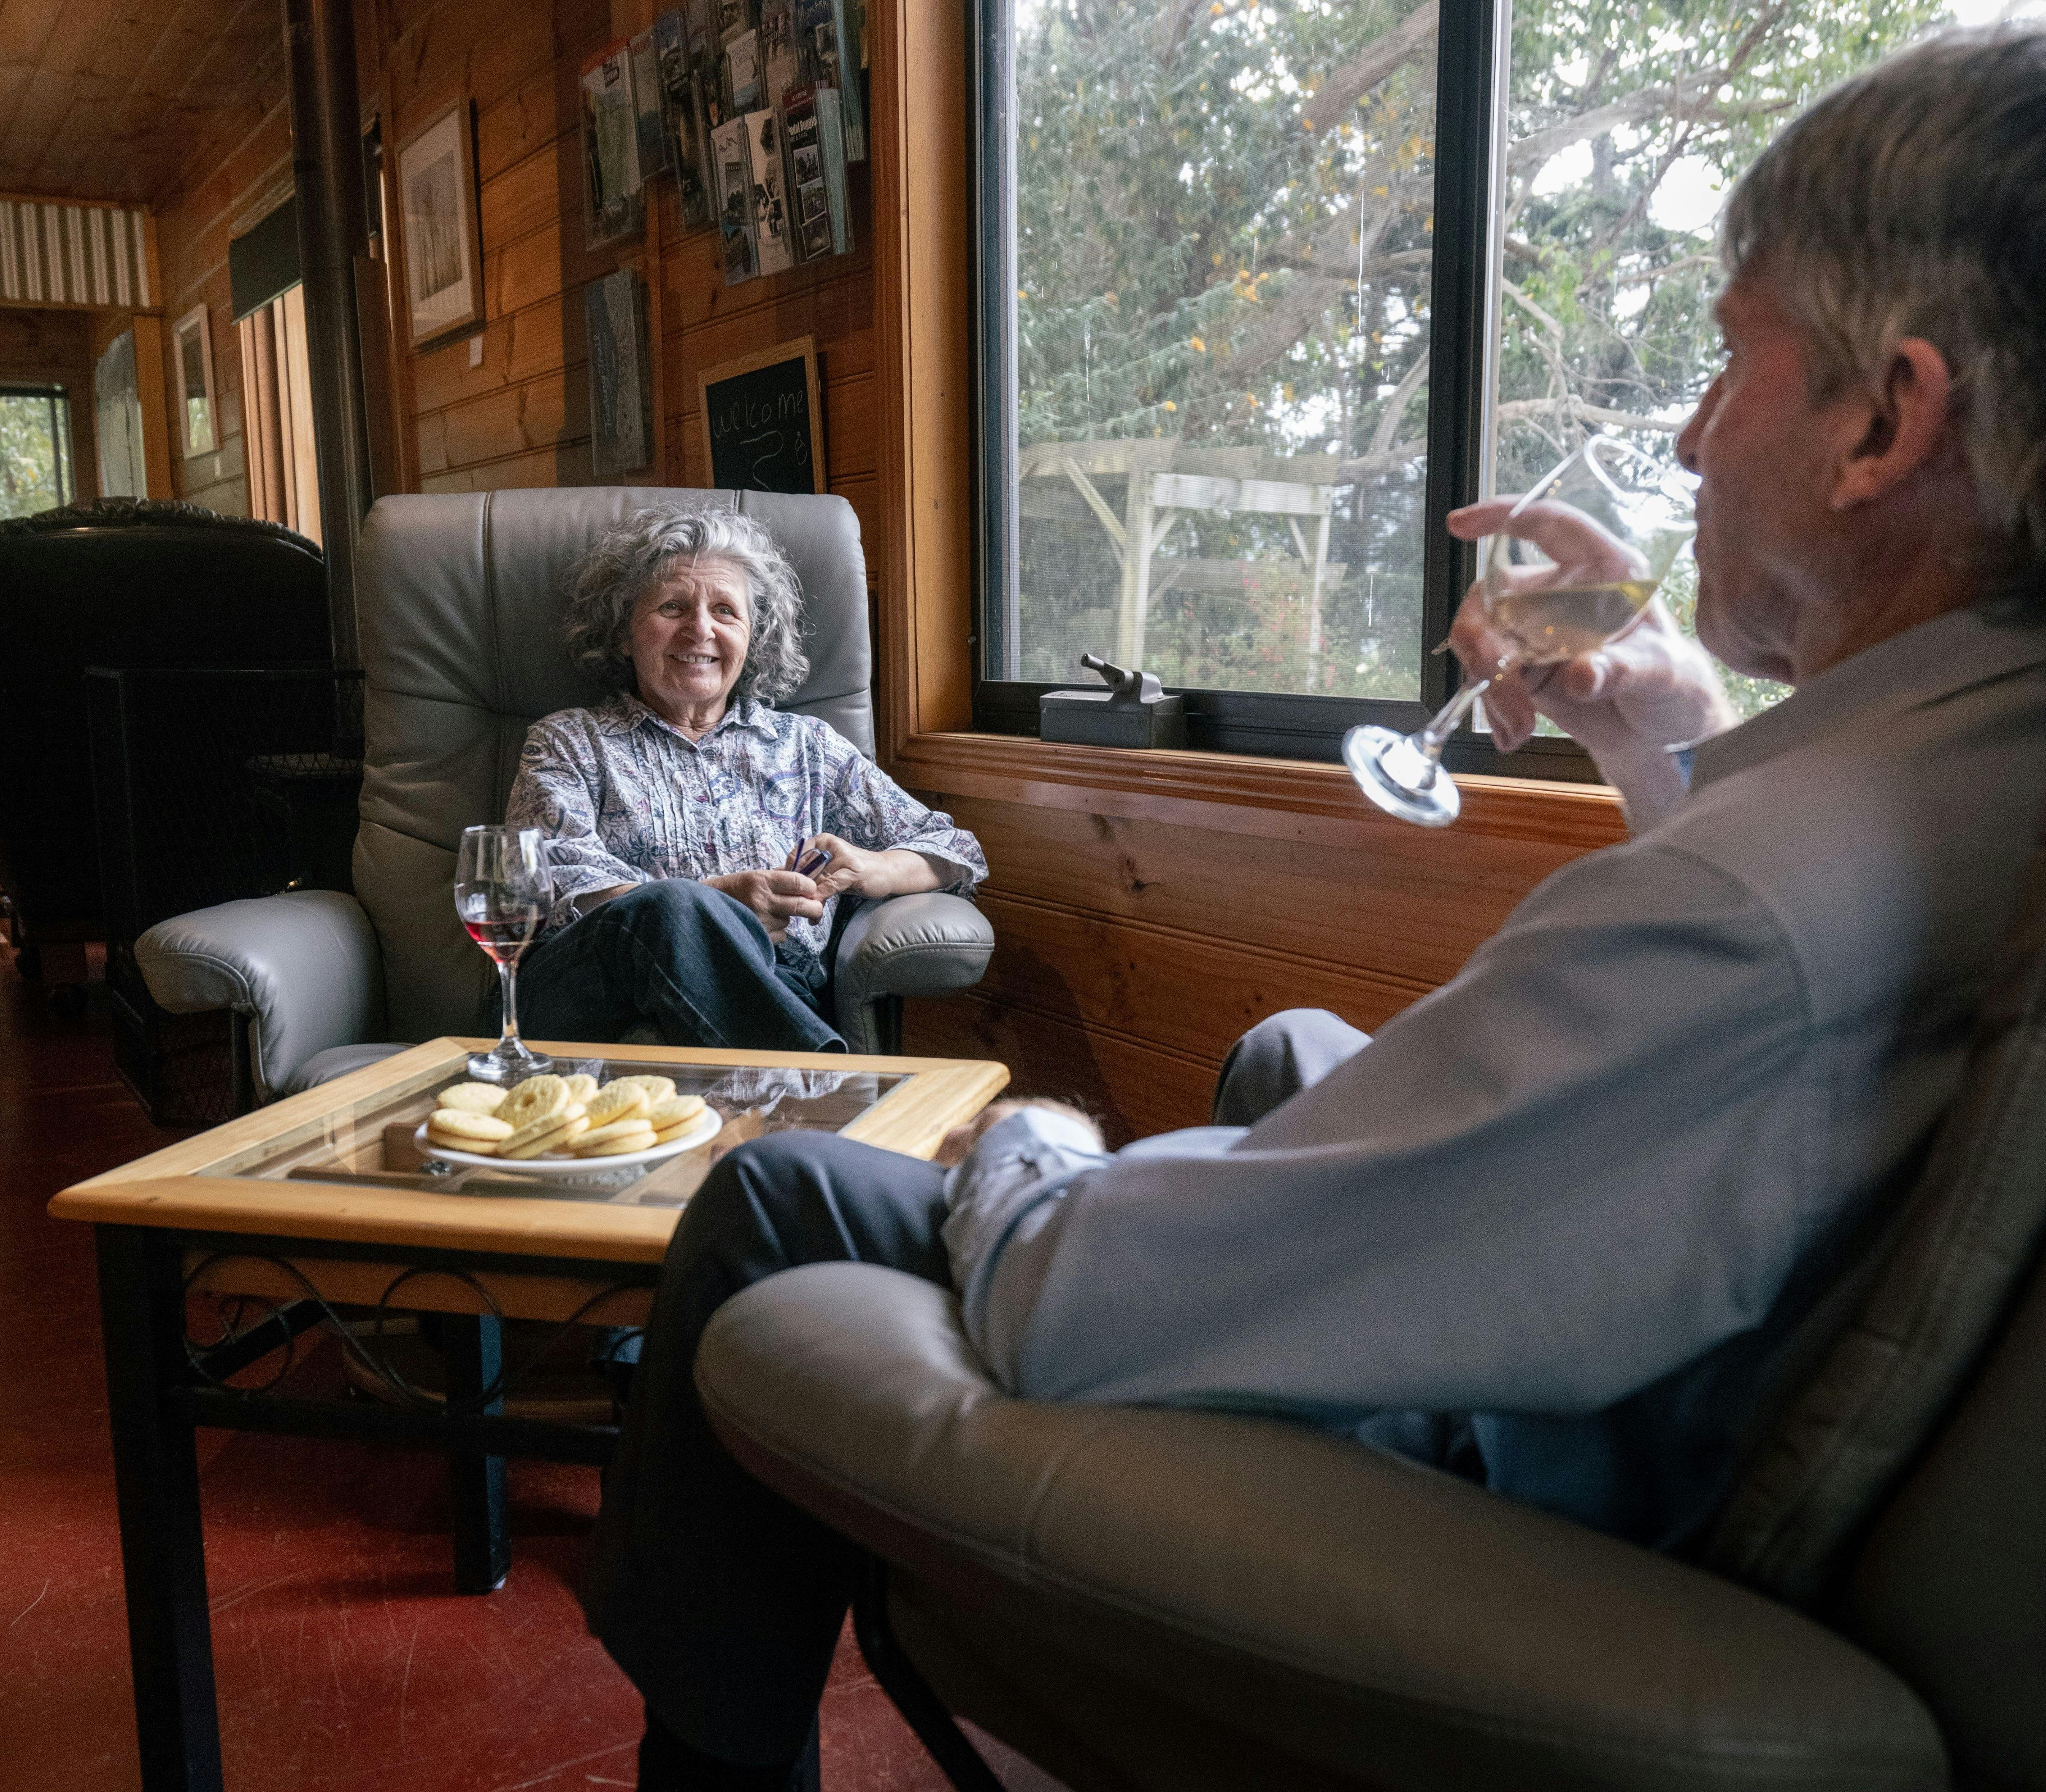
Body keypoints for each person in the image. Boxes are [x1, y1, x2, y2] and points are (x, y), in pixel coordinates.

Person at [585, 28, 2046, 1789]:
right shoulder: (1973, 765)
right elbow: (1791, 993)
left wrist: (1033, 1140)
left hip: (1495, 1496)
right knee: (1288, 1041)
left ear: (1888, 417)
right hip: (1630, 1367)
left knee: (776, 1187)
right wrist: (1670, 736)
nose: (1678, 436)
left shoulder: (1748, 907)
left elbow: (1069, 1295)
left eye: (1729, 360)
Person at [504, 508, 986, 1051]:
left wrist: (872, 866)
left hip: (774, 980)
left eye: (726, 611)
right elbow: (555, 885)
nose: (701, 629)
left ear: (752, 638)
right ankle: (821, 1091)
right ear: (622, 633)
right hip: (589, 991)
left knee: (693, 919)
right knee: (669, 905)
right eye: (673, 607)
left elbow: (953, 848)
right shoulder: (569, 741)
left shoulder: (805, 745)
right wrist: (720, 902)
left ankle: (803, 1093)